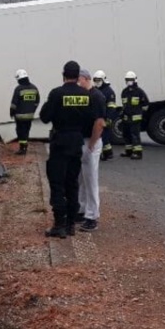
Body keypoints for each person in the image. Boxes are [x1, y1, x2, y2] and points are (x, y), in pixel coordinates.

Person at [39, 60, 101, 239]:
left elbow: (44, 117)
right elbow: (91, 118)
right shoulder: (86, 95)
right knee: (72, 183)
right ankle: (71, 225)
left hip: (60, 142)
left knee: (57, 184)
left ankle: (59, 225)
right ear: (77, 76)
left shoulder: (57, 94)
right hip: (77, 142)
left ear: (63, 75)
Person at [77, 69, 106, 232]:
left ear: (86, 79)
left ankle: (92, 216)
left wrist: (92, 144)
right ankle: (82, 211)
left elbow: (100, 123)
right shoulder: (84, 97)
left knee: (91, 180)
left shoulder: (97, 97)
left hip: (91, 142)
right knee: (81, 179)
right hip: (84, 141)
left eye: (79, 80)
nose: (77, 83)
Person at [9, 69, 40, 155]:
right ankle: (24, 146)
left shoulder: (19, 89)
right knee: (26, 131)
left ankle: (22, 149)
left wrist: (11, 112)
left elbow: (14, 103)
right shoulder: (34, 88)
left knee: (20, 131)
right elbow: (37, 101)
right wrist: (33, 110)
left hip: (20, 116)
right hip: (30, 116)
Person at [120, 71, 149, 160]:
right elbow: (124, 105)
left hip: (135, 118)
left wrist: (139, 113)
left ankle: (137, 153)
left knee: (135, 135)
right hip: (126, 118)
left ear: (135, 80)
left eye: (130, 80)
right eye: (127, 80)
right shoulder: (124, 92)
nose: (129, 81)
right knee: (126, 135)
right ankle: (128, 151)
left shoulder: (139, 92)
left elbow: (145, 104)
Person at [92, 70, 118, 161]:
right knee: (101, 136)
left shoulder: (109, 92)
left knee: (104, 136)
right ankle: (108, 153)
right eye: (95, 80)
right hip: (98, 117)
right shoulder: (95, 90)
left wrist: (109, 118)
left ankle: (106, 154)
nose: (97, 82)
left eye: (98, 80)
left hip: (105, 117)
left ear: (103, 80)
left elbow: (111, 107)